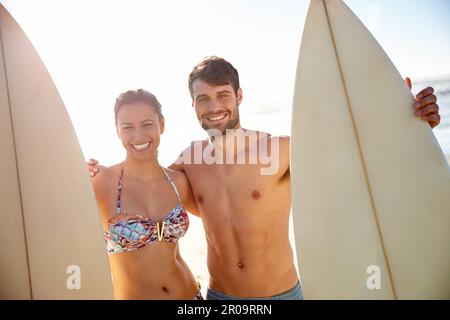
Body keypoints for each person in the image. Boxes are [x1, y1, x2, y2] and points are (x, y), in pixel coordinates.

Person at [89, 57, 440, 300]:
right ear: (193, 105)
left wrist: (407, 119)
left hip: (280, 295)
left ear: (239, 96)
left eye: (223, 94)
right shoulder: (189, 164)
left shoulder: (280, 150)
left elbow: (352, 155)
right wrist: (86, 175)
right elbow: (145, 185)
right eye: (203, 98)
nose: (214, 106)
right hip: (219, 297)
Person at [91, 89, 202, 299]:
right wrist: (73, 174)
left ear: (162, 124)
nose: (138, 135)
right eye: (128, 127)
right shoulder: (102, 181)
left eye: (147, 124)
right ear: (117, 131)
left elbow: (220, 217)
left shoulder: (177, 181)